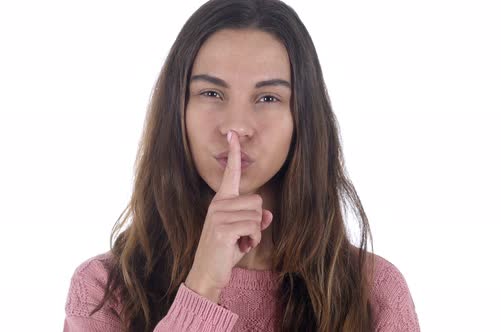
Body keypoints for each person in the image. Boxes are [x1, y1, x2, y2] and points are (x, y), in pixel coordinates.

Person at [63, 0, 420, 331]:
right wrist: (202, 286)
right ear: (177, 110)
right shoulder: (103, 290)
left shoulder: (374, 293)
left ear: (303, 120)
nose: (236, 126)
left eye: (268, 98)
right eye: (212, 93)